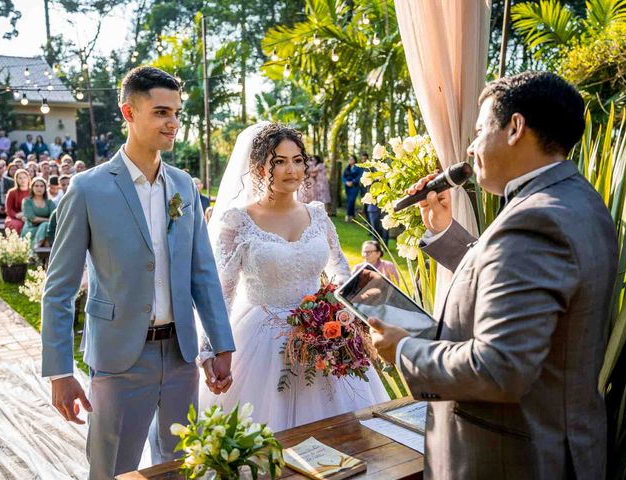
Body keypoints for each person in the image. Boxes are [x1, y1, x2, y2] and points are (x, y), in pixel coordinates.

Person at [369, 72, 618, 479]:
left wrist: (403, 349)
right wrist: (444, 232)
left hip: (512, 458)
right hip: (561, 444)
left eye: (480, 129)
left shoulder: (536, 219)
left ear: (515, 127)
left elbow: (498, 367)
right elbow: (515, 278)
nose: (470, 146)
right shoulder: (578, 200)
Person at [41, 66, 235, 480]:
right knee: (112, 469)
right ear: (129, 113)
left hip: (182, 355)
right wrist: (60, 372)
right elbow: (58, 289)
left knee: (183, 466)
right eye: (162, 112)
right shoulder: (87, 189)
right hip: (118, 359)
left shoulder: (183, 186)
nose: (174, 123)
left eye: (178, 113)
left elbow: (203, 273)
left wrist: (221, 344)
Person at [199, 122, 389, 432]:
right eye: (280, 161)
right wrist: (212, 349)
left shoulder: (317, 214)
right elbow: (222, 293)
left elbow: (341, 271)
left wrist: (343, 314)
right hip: (262, 342)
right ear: (260, 167)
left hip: (324, 338)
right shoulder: (238, 221)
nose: (292, 170)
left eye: (298, 160)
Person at [21, 177, 55, 248]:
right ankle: (36, 250)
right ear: (32, 187)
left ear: (45, 188)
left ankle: (40, 252)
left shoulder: (49, 202)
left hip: (46, 228)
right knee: (45, 226)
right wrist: (47, 220)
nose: (39, 188)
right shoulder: (27, 201)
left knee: (46, 228)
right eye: (36, 186)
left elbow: (54, 216)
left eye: (41, 186)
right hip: (31, 228)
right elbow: (32, 218)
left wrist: (48, 221)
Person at [4, 169, 31, 234]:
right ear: (16, 179)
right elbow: (9, 209)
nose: (22, 180)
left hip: (31, 216)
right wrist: (16, 215)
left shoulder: (33, 191)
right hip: (15, 217)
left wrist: (27, 216)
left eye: (24, 177)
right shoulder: (12, 192)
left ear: (28, 178)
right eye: (20, 178)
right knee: (16, 225)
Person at [342, 154, 362, 222]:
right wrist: (346, 182)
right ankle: (352, 216)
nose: (350, 160)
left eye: (351, 159)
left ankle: (348, 216)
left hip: (354, 187)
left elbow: (359, 177)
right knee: (350, 201)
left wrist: (352, 182)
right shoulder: (347, 168)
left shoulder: (358, 168)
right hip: (347, 187)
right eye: (349, 159)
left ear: (354, 160)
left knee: (351, 200)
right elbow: (343, 177)